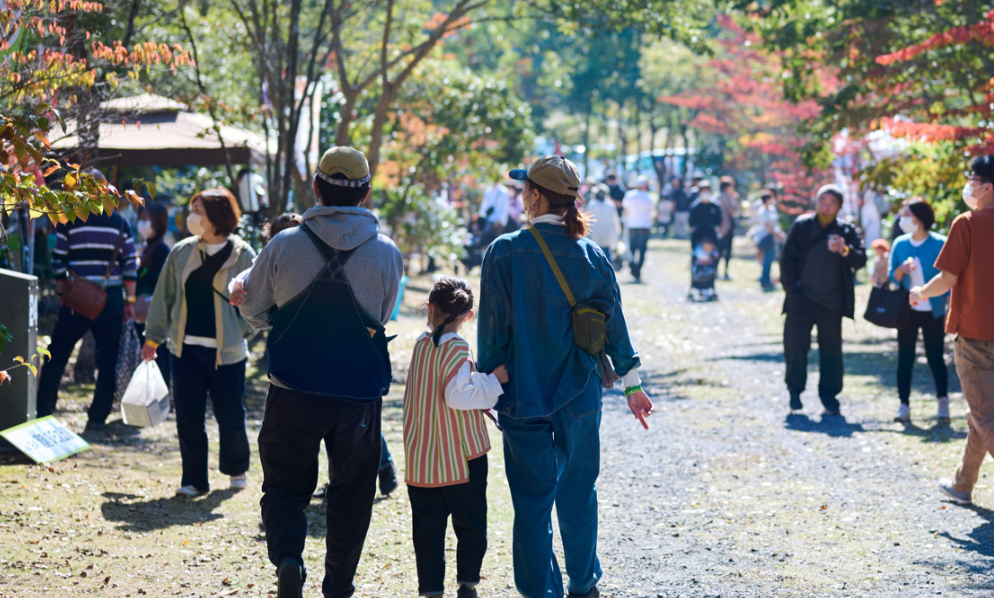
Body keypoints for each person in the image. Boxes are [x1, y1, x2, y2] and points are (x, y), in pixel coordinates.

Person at [479, 155, 653, 598]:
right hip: (580, 392)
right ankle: (582, 583)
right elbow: (614, 325)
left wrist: (487, 388)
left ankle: (539, 591)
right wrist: (632, 385)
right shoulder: (591, 254)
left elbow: (493, 331)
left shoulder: (504, 251)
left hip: (521, 392)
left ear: (535, 196)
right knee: (578, 491)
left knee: (532, 501)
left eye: (525, 190)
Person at [239, 147, 404, 598]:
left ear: (316, 188)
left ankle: (290, 558)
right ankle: (340, 584)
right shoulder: (387, 252)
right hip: (357, 393)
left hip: (292, 386)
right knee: (352, 492)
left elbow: (253, 312)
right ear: (367, 194)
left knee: (285, 484)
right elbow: (382, 315)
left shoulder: (283, 244)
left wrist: (250, 301)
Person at [142, 188, 256, 496]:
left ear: (217, 217)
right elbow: (164, 297)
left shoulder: (243, 254)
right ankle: (193, 480)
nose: (191, 217)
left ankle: (236, 469)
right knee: (189, 418)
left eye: (198, 211)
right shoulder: (181, 251)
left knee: (231, 414)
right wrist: (153, 337)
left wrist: (241, 331)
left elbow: (258, 303)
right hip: (185, 349)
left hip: (227, 353)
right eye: (192, 210)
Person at [404, 277, 508, 598]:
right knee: (471, 523)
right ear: (469, 316)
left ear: (430, 308)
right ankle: (467, 583)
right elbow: (456, 395)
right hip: (461, 458)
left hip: (423, 459)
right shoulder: (459, 348)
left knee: (427, 529)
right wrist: (493, 382)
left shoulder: (422, 346)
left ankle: (432, 589)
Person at [909, 156, 994, 506]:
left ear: (987, 187)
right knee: (982, 412)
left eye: (972, 179)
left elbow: (947, 278)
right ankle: (962, 485)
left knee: (985, 413)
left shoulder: (968, 223)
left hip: (974, 334)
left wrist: (920, 292)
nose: (969, 185)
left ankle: (961, 485)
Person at [37, 171, 139, 431]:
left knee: (57, 353)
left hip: (77, 299)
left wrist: (61, 295)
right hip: (113, 298)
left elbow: (58, 261)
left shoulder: (70, 221)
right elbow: (129, 266)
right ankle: (97, 417)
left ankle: (44, 410)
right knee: (108, 359)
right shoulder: (120, 223)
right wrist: (130, 301)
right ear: (106, 190)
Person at [780, 184, 867, 415]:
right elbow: (786, 260)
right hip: (801, 300)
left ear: (839, 206)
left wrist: (844, 250)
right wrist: (792, 292)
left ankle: (829, 397)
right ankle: (795, 392)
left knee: (831, 352)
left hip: (832, 302)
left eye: (831, 202)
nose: (826, 206)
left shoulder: (846, 230)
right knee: (796, 347)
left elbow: (861, 260)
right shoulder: (802, 226)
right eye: (822, 201)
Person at [889, 200, 949, 424]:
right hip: (907, 310)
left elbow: (949, 277)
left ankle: (943, 402)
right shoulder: (899, 243)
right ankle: (903, 405)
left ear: (919, 218)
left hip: (933, 310)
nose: (902, 218)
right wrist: (901, 270)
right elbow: (892, 278)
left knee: (935, 356)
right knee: (905, 356)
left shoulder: (940, 243)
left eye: (906, 214)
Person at [134, 202, 172, 389]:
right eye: (140, 219)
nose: (141, 224)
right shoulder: (147, 246)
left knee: (160, 356)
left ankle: (161, 393)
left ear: (157, 222)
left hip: (155, 314)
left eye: (145, 220)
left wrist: (140, 271)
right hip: (143, 313)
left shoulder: (162, 249)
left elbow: (163, 281)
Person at [622, 175, 654, 283]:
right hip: (644, 226)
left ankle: (633, 268)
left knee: (632, 249)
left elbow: (626, 210)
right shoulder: (648, 197)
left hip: (632, 225)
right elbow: (651, 211)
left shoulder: (629, 195)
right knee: (642, 250)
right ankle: (638, 270)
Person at [754, 190, 785, 291]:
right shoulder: (763, 211)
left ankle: (767, 279)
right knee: (767, 259)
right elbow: (768, 226)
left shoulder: (772, 209)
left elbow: (775, 224)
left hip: (772, 238)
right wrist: (777, 235)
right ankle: (764, 280)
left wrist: (780, 233)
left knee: (770, 259)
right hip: (766, 238)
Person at [582, 184, 621, 264]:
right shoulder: (609, 204)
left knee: (599, 253)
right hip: (605, 233)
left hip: (597, 233)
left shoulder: (593, 204)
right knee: (605, 254)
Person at [717, 176, 740, 280]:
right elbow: (734, 210)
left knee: (719, 249)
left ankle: (716, 270)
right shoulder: (727, 197)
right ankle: (725, 272)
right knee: (727, 250)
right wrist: (735, 199)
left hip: (719, 227)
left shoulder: (717, 196)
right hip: (727, 227)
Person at [688, 180, 722, 248]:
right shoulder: (695, 206)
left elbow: (719, 220)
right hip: (698, 234)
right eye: (703, 191)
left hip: (712, 233)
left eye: (707, 190)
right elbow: (691, 222)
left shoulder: (715, 206)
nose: (705, 193)